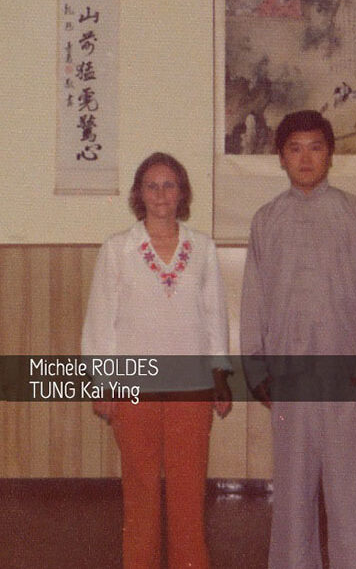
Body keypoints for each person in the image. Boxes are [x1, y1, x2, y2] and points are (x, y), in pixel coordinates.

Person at [240, 110, 356, 569]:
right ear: (281, 157)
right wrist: (257, 368)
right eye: (295, 149)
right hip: (288, 374)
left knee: (349, 490)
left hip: (345, 374)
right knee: (291, 493)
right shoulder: (266, 220)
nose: (305, 159)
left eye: (315, 147)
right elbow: (253, 300)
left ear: (330, 154)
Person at [81, 152, 232, 569]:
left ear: (182, 192)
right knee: (141, 493)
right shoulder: (118, 248)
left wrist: (220, 377)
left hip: (192, 387)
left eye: (169, 185)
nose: (161, 194)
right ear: (139, 194)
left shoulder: (202, 248)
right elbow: (100, 320)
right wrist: (102, 382)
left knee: (188, 493)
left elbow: (215, 315)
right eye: (152, 185)